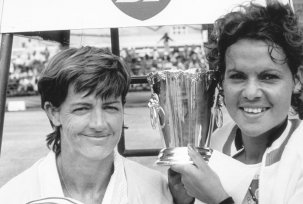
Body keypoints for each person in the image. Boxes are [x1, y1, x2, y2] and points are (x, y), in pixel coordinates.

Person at [169, 2, 303, 204]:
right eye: (238, 76)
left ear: (297, 79)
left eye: (268, 77)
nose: (251, 92)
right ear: (222, 82)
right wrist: (183, 201)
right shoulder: (212, 145)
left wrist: (218, 200)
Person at [0, 46, 173, 204]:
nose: (99, 123)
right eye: (82, 108)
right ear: (53, 113)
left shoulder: (158, 192)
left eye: (110, 107)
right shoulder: (13, 197)